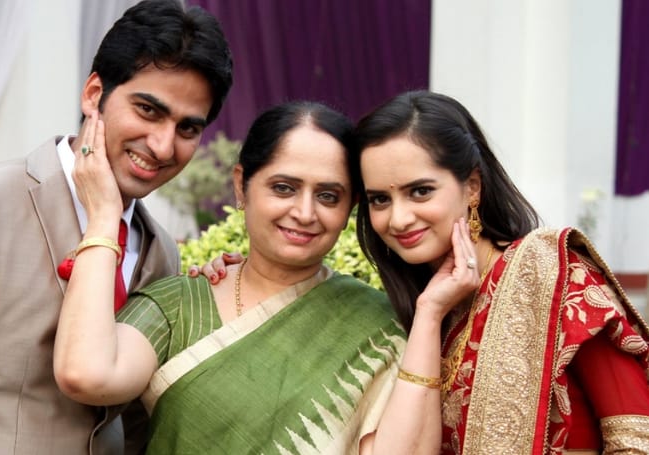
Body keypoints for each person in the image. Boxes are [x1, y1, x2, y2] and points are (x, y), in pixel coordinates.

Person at [207, 90, 649, 454]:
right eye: (380, 199)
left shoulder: (551, 276)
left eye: (420, 192)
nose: (399, 219)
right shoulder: (419, 310)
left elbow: (636, 436)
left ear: (471, 186)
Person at [53, 100, 482, 454]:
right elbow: (86, 375)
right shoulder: (179, 304)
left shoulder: (377, 324)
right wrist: (104, 218)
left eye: (328, 195)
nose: (305, 213)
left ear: (351, 206)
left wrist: (428, 314)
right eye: (283, 188)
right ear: (242, 186)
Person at [0, 0, 233, 453]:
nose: (163, 146)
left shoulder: (161, 251)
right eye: (148, 110)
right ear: (94, 94)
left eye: (188, 129)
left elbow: (137, 422)